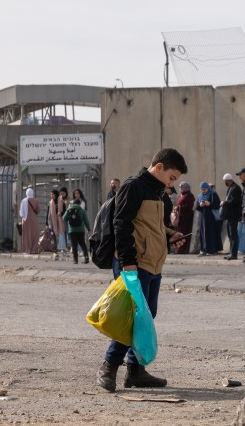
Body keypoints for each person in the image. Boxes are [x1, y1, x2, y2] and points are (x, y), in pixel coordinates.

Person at [96, 148, 188, 393]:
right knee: (130, 316)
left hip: (153, 264)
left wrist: (172, 236)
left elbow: (155, 228)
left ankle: (135, 371)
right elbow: (121, 224)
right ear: (159, 167)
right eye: (172, 177)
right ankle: (109, 366)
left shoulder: (160, 194)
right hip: (133, 263)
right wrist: (128, 261)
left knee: (147, 315)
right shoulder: (133, 187)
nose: (172, 183)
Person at [195, 181, 221, 256]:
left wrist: (209, 204)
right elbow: (197, 207)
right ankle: (204, 249)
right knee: (203, 233)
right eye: (202, 189)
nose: (203, 191)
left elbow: (217, 205)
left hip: (211, 217)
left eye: (204, 189)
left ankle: (212, 250)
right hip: (203, 217)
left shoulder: (213, 194)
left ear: (207, 188)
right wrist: (200, 205)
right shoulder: (200, 196)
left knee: (211, 233)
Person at [220, 174, 242, 260]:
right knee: (230, 234)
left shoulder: (236, 188)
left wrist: (225, 203)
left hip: (233, 215)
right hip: (229, 215)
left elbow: (235, 201)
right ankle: (231, 253)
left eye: (225, 181)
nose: (225, 183)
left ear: (228, 180)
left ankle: (234, 254)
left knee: (233, 235)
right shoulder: (231, 187)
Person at [63, 199, 91, 264]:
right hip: (81, 230)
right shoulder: (81, 210)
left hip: (72, 230)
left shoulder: (69, 209)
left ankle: (75, 260)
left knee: (74, 245)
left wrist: (67, 210)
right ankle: (86, 257)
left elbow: (64, 218)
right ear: (79, 204)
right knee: (82, 243)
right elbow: (86, 221)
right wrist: (89, 229)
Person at [175, 182, 195, 254]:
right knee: (180, 234)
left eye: (181, 187)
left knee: (185, 233)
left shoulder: (189, 196)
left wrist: (179, 207)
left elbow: (188, 207)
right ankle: (179, 249)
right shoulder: (182, 195)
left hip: (186, 218)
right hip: (181, 218)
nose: (180, 189)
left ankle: (184, 250)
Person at [19, 188, 40, 254]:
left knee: (26, 235)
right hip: (33, 219)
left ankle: (27, 249)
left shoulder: (23, 201)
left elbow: (21, 212)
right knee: (34, 234)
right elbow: (38, 210)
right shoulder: (36, 201)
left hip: (25, 219)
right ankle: (34, 249)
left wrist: (23, 217)